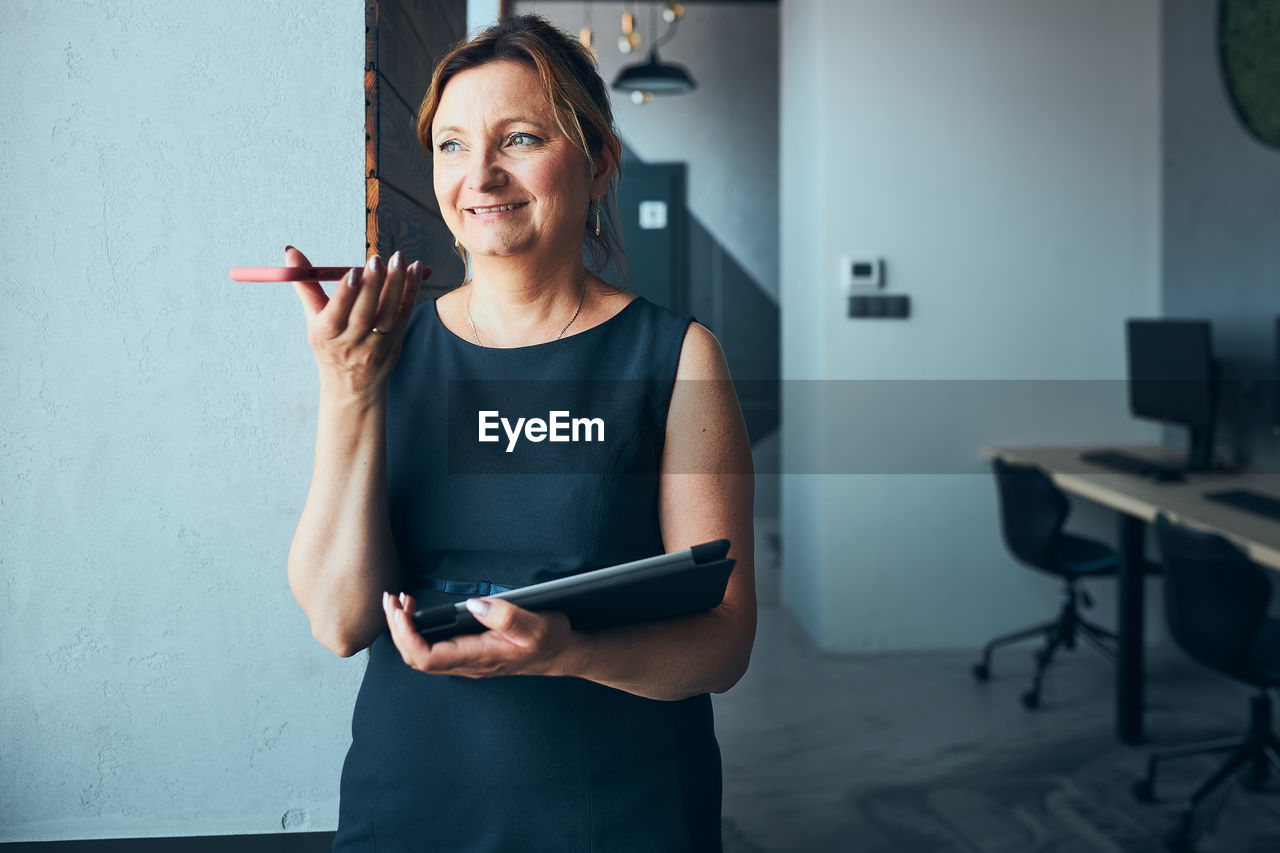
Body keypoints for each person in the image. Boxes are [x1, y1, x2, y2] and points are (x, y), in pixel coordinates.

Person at [286, 14, 755, 852]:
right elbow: (337, 618)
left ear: (600, 160)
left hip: (624, 811)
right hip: (411, 803)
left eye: (521, 138)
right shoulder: (380, 354)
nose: (482, 175)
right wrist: (347, 391)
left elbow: (722, 645)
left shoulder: (678, 357)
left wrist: (565, 652)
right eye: (454, 146)